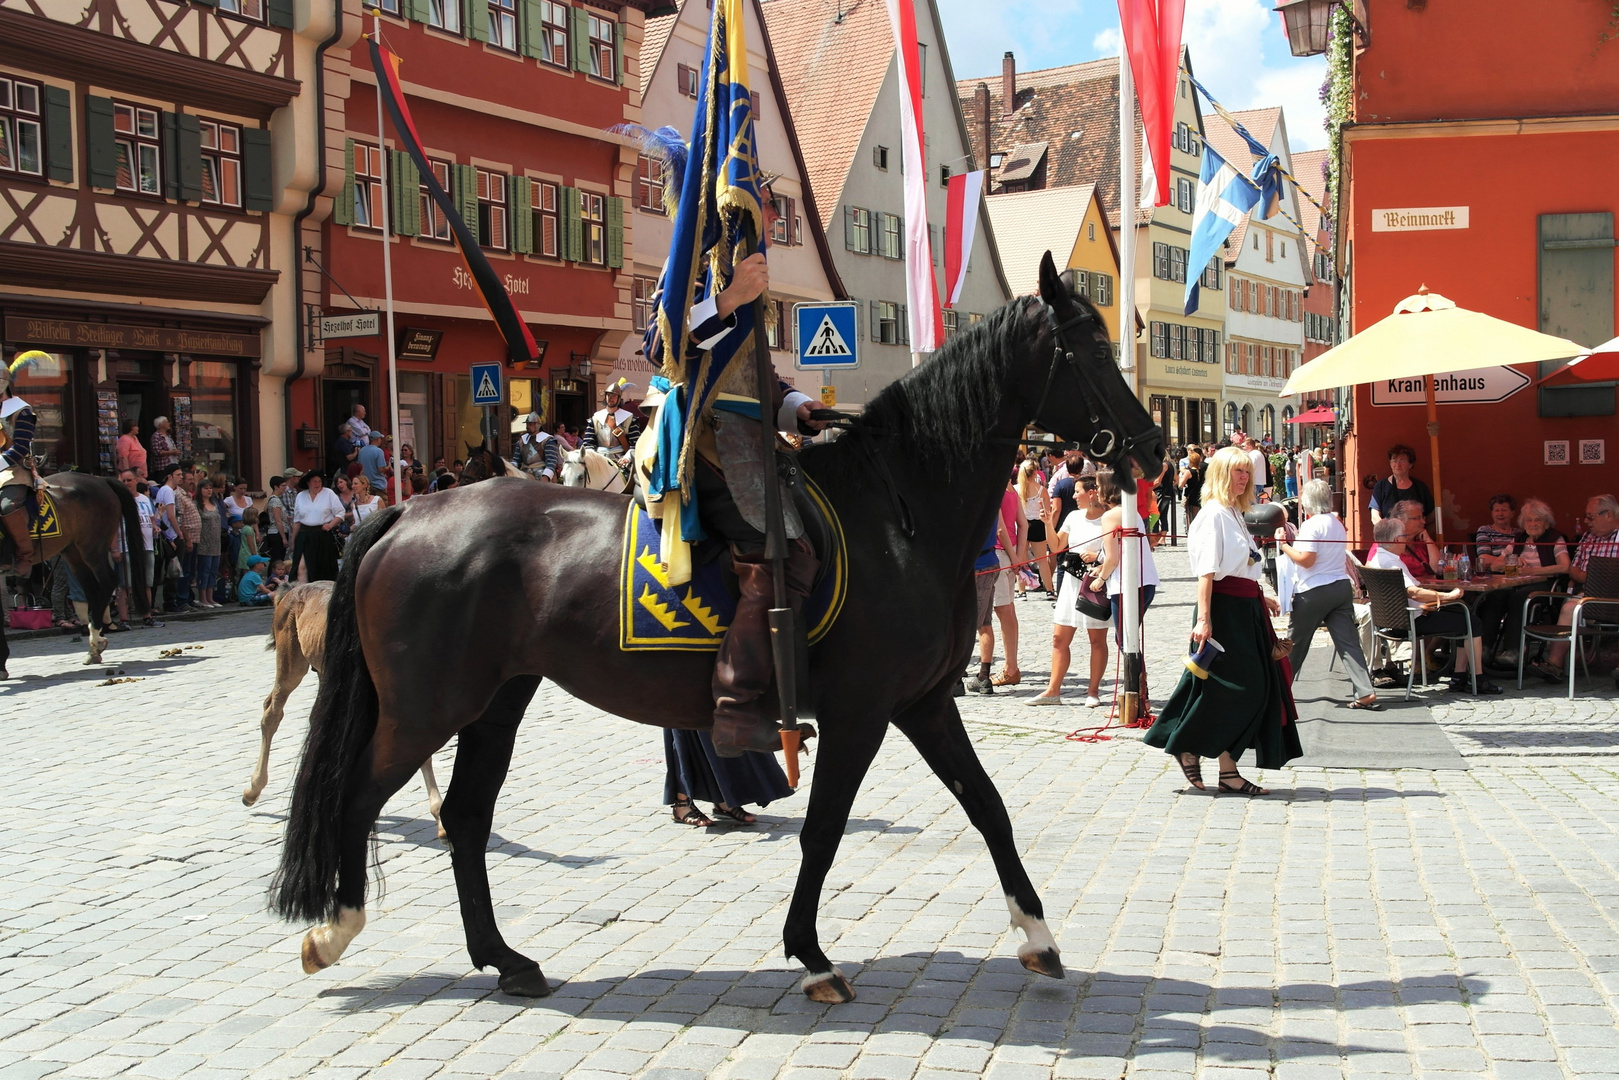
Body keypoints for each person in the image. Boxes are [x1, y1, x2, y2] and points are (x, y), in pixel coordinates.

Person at [638, 171, 824, 756]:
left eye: (767, 207)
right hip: (706, 436)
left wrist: (796, 406)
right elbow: (659, 344)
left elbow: (755, 374)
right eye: (762, 206)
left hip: (751, 437)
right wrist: (728, 299)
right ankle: (738, 706)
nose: (769, 218)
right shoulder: (694, 263)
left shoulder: (746, 269)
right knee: (783, 557)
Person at [1146, 445, 1302, 795]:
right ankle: (1187, 743)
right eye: (1237, 471)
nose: (1244, 477)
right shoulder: (1213, 514)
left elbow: (1244, 563)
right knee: (1241, 689)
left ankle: (1228, 771)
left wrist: (1263, 596)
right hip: (1223, 610)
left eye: (1246, 471)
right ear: (1220, 473)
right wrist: (1204, 619)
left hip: (1245, 609)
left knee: (1243, 688)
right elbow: (1207, 572)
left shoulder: (1234, 512)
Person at [1366, 516, 1503, 695]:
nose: (1407, 539)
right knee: (1472, 622)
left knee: (1463, 613)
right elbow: (1414, 592)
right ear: (1396, 540)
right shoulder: (1392, 562)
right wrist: (1447, 595)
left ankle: (1459, 676)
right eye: (1404, 535)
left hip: (1391, 620)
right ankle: (1477, 679)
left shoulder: (1377, 559)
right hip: (1412, 621)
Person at [1275, 479, 1377, 709]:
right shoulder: (1336, 522)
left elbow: (1307, 561)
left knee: (1295, 642)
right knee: (1348, 642)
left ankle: (1279, 690)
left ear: (1307, 501)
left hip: (1314, 590)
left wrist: (1284, 545)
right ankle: (1364, 690)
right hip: (1339, 587)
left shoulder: (1312, 525)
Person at [1026, 475, 1109, 707]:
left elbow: (1117, 552)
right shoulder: (1073, 516)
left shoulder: (1108, 519)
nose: (1073, 496)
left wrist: (1099, 558)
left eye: (1077, 491)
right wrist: (1047, 524)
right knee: (1058, 638)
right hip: (1071, 582)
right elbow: (1056, 547)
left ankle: (1093, 692)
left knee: (1096, 639)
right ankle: (1053, 691)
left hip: (1094, 584)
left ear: (1092, 492)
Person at [1533, 494, 1619, 682]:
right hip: (1589, 595)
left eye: (1591, 516)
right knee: (1569, 607)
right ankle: (1554, 665)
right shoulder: (1588, 537)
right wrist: (1590, 577)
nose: (1587, 522)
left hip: (1616, 597)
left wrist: (1598, 578)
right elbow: (1573, 568)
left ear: (1609, 515)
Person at [1476, 498, 1568, 668]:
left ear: (1547, 523)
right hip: (1516, 583)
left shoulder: (1555, 537)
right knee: (1495, 595)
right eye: (1529, 520)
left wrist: (1533, 571)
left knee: (1519, 598)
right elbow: (1496, 564)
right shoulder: (1519, 539)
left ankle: (1514, 652)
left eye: (1537, 520)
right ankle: (1484, 649)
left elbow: (1565, 566)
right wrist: (1513, 560)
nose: (1533, 524)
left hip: (1544, 586)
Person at [1089, 469, 1160, 648]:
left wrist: (1101, 579)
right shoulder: (1129, 511)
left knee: (1125, 640)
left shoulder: (1110, 515)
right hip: (1145, 581)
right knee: (1127, 638)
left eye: (1098, 486)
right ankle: (1139, 675)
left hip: (1128, 584)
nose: (1096, 490)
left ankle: (1138, 676)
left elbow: (1113, 558)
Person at [0, 353, 41, 575]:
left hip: (14, 470)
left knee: (6, 505)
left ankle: (24, 555)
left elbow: (21, 447)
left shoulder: (21, 411)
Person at [966, 514, 1013, 695]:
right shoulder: (987, 498)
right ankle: (983, 676)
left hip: (978, 565)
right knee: (984, 622)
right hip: (988, 561)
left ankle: (964, 678)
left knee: (971, 624)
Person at [988, 475, 1027, 685]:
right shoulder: (1011, 487)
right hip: (1010, 555)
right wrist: (1019, 556)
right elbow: (1023, 524)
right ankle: (1011, 665)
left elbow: (1000, 527)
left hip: (1000, 553)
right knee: (1008, 610)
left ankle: (1010, 667)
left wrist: (1013, 557)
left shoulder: (995, 486)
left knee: (1003, 610)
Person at [289, 471, 344, 583]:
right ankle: (302, 596)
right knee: (301, 568)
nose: (317, 483)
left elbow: (340, 513)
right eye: (314, 481)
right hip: (304, 535)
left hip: (323, 535)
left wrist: (330, 525)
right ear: (308, 482)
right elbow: (297, 521)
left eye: (319, 481)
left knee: (324, 571)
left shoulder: (328, 493)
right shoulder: (300, 496)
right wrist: (293, 540)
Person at [1368, 444, 1433, 525]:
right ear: (1390, 463)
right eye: (1394, 460)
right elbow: (1374, 516)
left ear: (1410, 464)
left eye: (1402, 461)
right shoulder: (1381, 486)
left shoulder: (1420, 487)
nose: (1397, 465)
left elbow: (1431, 515)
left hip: (1414, 535)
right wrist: (1385, 531)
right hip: (1389, 535)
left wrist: (1418, 527)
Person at [1015, 456, 1053, 595]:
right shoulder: (1041, 490)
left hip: (1021, 524)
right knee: (1042, 560)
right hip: (1038, 524)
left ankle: (1021, 591)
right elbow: (1047, 510)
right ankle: (1049, 589)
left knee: (1021, 559)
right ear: (1036, 472)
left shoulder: (1016, 489)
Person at [584, 378, 641, 464]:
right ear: (605, 397)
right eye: (609, 395)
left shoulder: (629, 418)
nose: (611, 398)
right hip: (599, 460)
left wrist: (627, 458)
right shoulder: (595, 418)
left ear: (618, 398)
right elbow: (588, 444)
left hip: (622, 460)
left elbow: (635, 444)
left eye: (614, 396)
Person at [193, 477, 222, 609]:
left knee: (213, 571)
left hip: (216, 542)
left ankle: (211, 597)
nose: (209, 490)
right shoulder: (197, 505)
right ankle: (203, 597)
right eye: (206, 488)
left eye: (210, 488)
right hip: (204, 542)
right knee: (204, 570)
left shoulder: (215, 504)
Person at [1474, 494, 1519, 571]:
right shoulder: (1485, 530)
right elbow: (1484, 558)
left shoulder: (1519, 534)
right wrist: (1513, 562)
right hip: (1494, 575)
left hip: (1518, 574)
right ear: (1492, 513)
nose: (1500, 514)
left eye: (1504, 510)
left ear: (1512, 513)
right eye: (1497, 510)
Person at [513, 413, 560, 481]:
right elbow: (516, 460)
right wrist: (511, 467)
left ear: (537, 425)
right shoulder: (522, 440)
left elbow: (551, 461)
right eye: (527, 424)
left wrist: (546, 476)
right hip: (525, 473)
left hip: (542, 473)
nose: (527, 426)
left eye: (530, 424)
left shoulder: (548, 440)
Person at [1179, 446, 1205, 524]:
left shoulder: (1188, 472)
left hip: (1190, 497)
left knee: (1190, 519)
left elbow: (1180, 485)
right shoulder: (1202, 470)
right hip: (1200, 495)